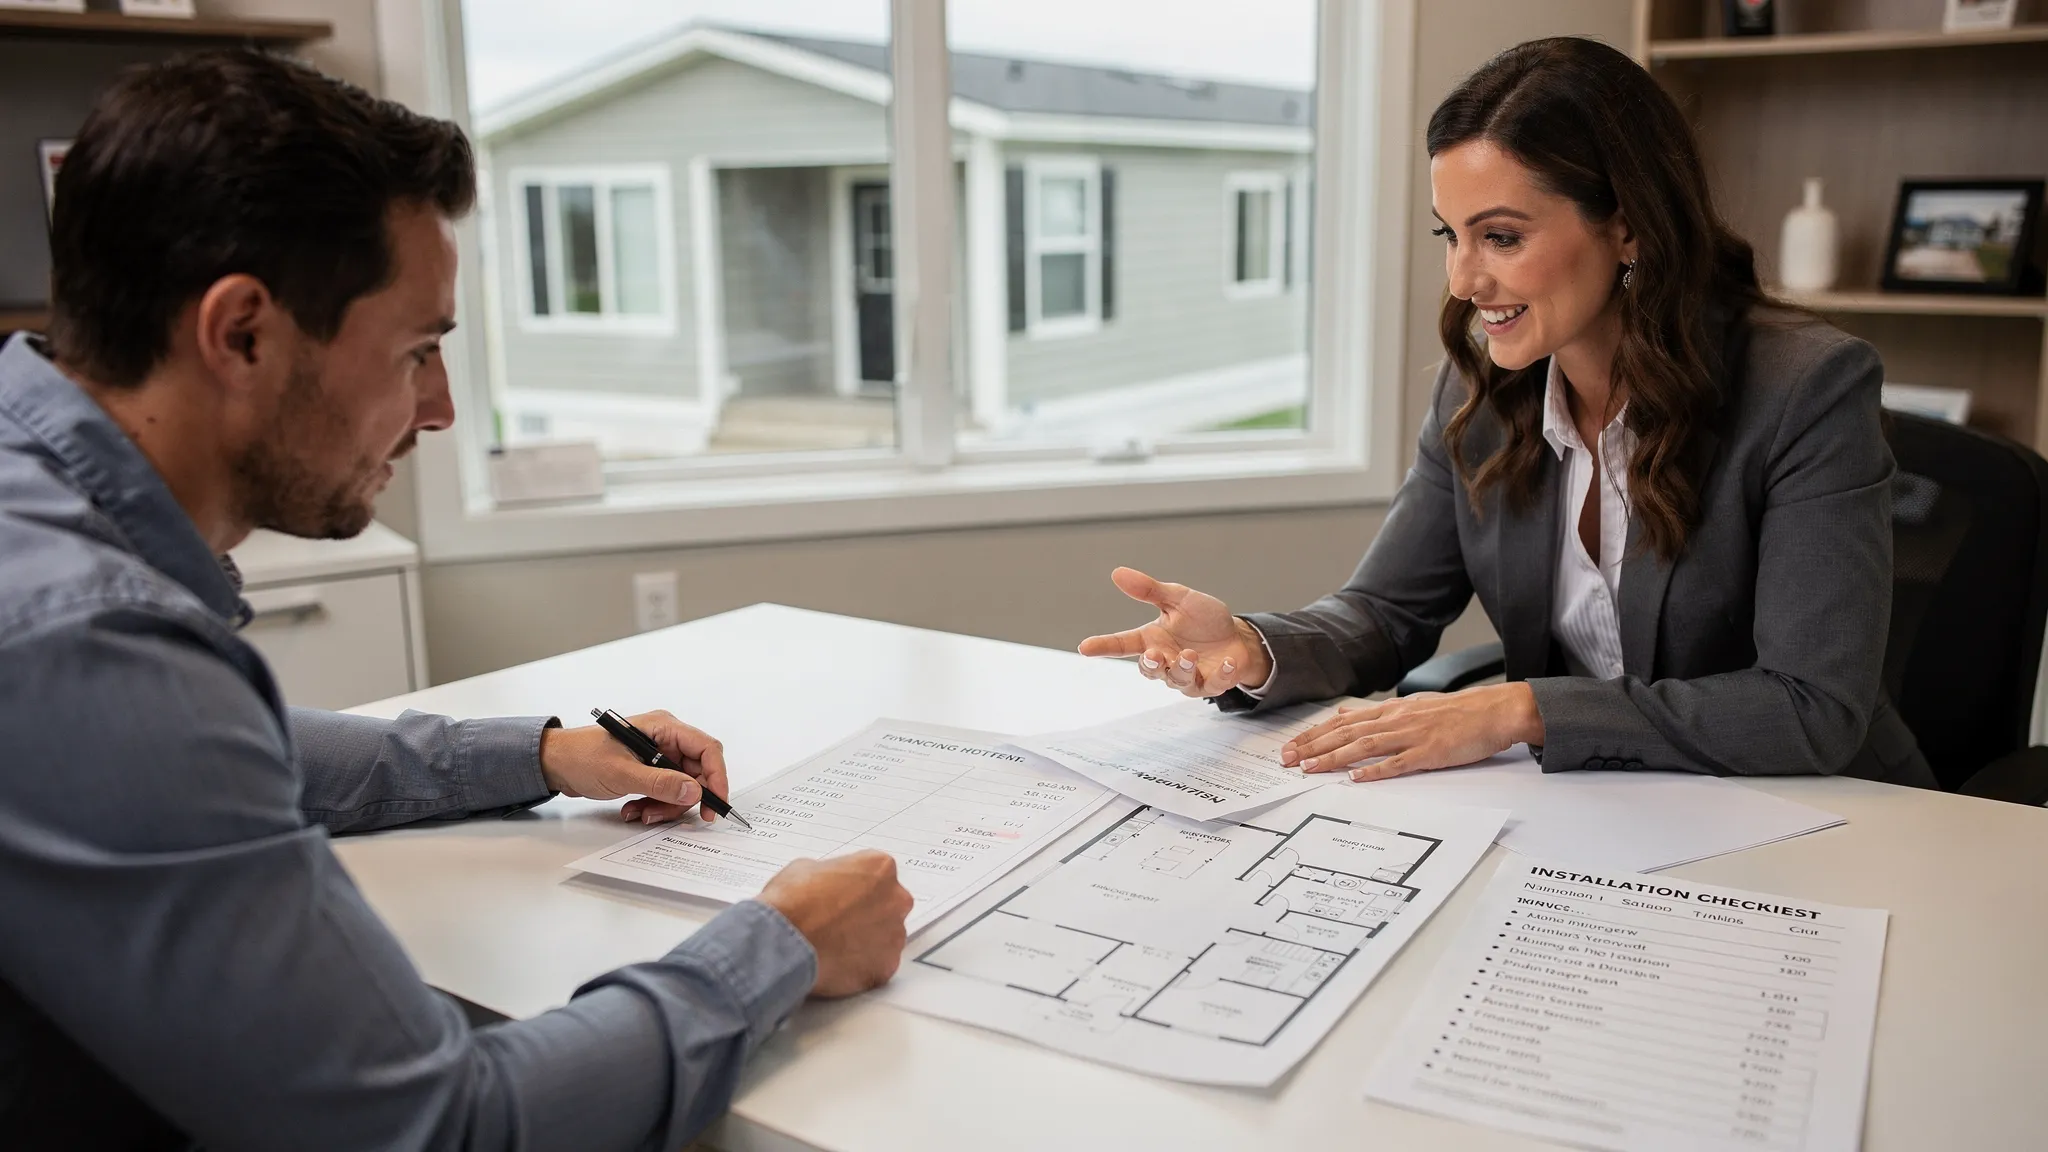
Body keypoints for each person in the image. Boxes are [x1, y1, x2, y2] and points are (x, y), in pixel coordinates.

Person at [0, 50, 912, 1150]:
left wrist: (543, 755)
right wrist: (781, 942)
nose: (434, 411)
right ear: (241, 332)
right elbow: (442, 1128)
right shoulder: (87, 643)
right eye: (417, 352)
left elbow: (235, 754)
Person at [1079, 37, 1933, 790]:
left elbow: (1812, 707)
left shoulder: (1806, 388)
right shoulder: (1483, 389)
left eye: (1502, 237)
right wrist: (1253, 651)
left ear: (1629, 227)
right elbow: (1384, 613)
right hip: (1616, 812)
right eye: (1449, 235)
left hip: (1828, 814)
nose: (1462, 280)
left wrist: (1521, 710)